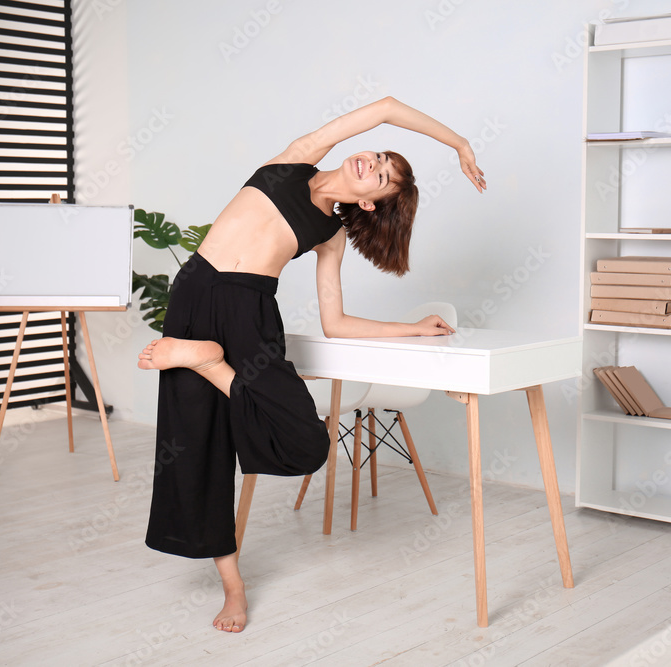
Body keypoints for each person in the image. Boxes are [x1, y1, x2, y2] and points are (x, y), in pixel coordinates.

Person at [136, 96, 486, 633]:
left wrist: (413, 327)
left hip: (250, 314)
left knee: (306, 441)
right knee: (194, 451)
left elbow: (337, 323)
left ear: (370, 203)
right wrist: (458, 143)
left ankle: (209, 364)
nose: (371, 164)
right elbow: (386, 107)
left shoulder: (331, 234)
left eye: (383, 177)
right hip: (194, 296)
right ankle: (233, 587)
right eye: (379, 157)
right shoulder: (297, 158)